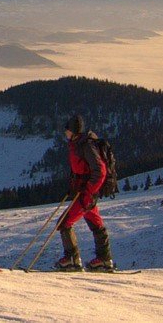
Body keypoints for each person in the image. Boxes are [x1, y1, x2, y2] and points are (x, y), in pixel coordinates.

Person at [55, 115, 114, 271]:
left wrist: (88, 191)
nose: (65, 133)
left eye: (67, 130)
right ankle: (104, 260)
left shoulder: (86, 146)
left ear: (73, 131)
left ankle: (72, 259)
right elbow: (81, 169)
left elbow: (100, 171)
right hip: (84, 192)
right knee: (96, 224)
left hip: (86, 194)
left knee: (64, 223)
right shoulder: (78, 144)